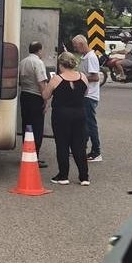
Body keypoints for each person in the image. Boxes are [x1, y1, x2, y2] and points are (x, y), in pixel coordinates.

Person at [42, 51, 90, 185]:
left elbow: (45, 96)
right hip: (79, 113)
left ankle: (63, 176)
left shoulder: (57, 79)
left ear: (60, 64)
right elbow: (86, 93)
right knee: (79, 145)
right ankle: (84, 176)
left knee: (62, 144)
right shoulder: (83, 77)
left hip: (61, 114)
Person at [71, 34, 102, 162]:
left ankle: (96, 151)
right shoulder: (84, 57)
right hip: (84, 94)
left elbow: (95, 77)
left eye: (76, 46)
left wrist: (80, 78)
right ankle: (81, 147)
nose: (75, 49)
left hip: (90, 96)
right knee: (82, 123)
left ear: (82, 44)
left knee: (90, 124)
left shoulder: (91, 57)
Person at [18, 41, 49, 166]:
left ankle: (26, 153)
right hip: (36, 97)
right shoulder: (38, 63)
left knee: (26, 126)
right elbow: (41, 83)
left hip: (24, 95)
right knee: (37, 127)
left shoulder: (22, 62)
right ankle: (34, 156)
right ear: (39, 50)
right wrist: (45, 99)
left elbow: (19, 81)